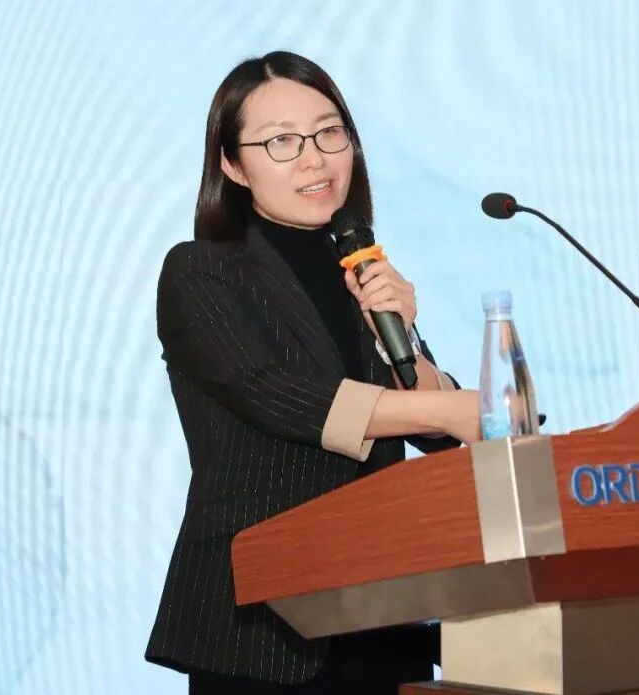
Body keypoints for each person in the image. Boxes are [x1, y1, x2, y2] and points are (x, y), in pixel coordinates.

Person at [145, 50, 482, 694]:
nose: (314, 158)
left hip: (381, 614)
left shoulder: (360, 270)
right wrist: (453, 409)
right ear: (231, 164)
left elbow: (438, 434)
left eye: (329, 133)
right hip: (262, 627)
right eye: (281, 141)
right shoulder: (200, 271)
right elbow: (282, 397)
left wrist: (402, 335)